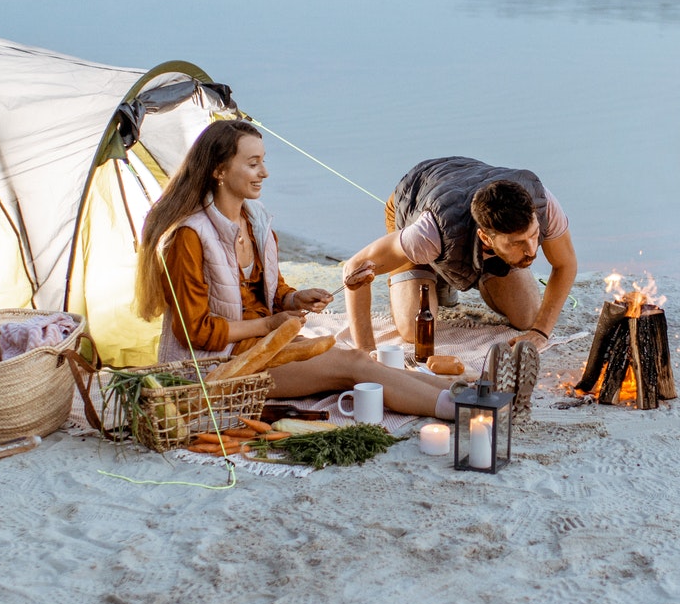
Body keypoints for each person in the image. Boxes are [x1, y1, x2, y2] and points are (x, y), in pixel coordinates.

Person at [135, 120, 460, 420]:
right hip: (217, 366)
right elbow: (195, 332)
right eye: (252, 163)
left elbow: (270, 291)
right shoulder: (188, 237)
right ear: (219, 171)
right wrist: (271, 323)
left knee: (354, 360)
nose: (264, 172)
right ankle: (454, 410)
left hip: (265, 344)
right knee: (354, 365)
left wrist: (293, 300)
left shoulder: (256, 220)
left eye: (263, 161)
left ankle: (459, 395)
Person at [341, 156, 577, 413]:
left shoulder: (542, 203)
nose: (532, 250)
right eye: (517, 243)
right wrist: (365, 351)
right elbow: (354, 268)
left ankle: (450, 271)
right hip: (417, 200)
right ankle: (433, 268)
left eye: (533, 235)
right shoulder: (426, 233)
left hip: (464, 215)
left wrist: (541, 333)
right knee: (413, 329)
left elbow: (565, 264)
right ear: (485, 237)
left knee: (528, 317)